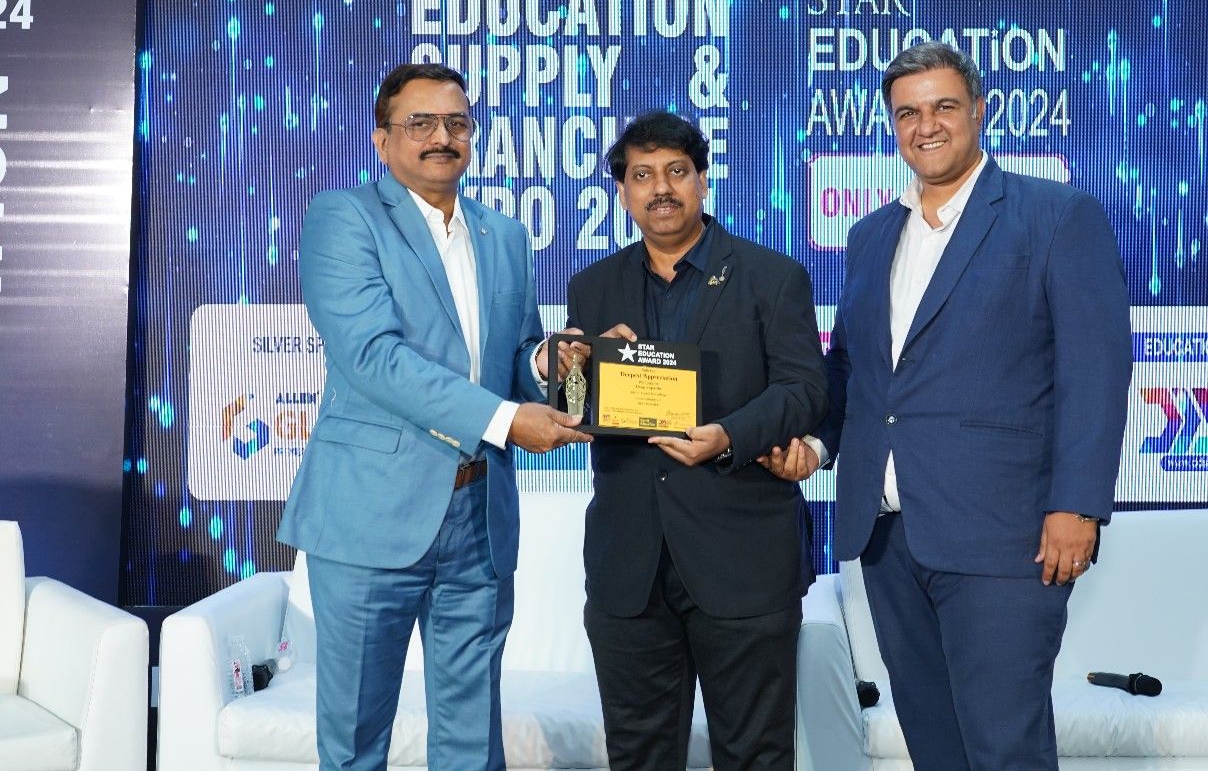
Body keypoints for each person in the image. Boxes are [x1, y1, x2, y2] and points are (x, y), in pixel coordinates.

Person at [799, 42, 1132, 770]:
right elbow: (854, 368)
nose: (926, 126)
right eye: (907, 113)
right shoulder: (870, 235)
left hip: (1004, 535)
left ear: (979, 111)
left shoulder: (1055, 216)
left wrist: (1077, 505)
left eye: (944, 106)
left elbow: (1096, 373)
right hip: (887, 536)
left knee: (1005, 748)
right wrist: (817, 444)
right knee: (935, 747)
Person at [277, 62, 588, 771]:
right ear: (383, 139)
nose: (441, 137)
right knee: (355, 744)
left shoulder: (505, 235)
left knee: (472, 744)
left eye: (456, 123)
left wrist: (551, 364)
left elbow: (514, 356)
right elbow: (373, 357)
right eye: (420, 123)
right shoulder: (345, 217)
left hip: (479, 517)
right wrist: (506, 420)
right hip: (369, 519)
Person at [565, 111, 828, 771]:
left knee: (756, 755)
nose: (661, 188)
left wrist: (728, 436)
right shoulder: (592, 287)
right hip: (629, 566)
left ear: (703, 180)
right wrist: (569, 370)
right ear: (622, 191)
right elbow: (575, 411)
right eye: (642, 175)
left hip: (744, 559)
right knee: (638, 756)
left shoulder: (773, 276)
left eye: (677, 172)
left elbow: (804, 390)